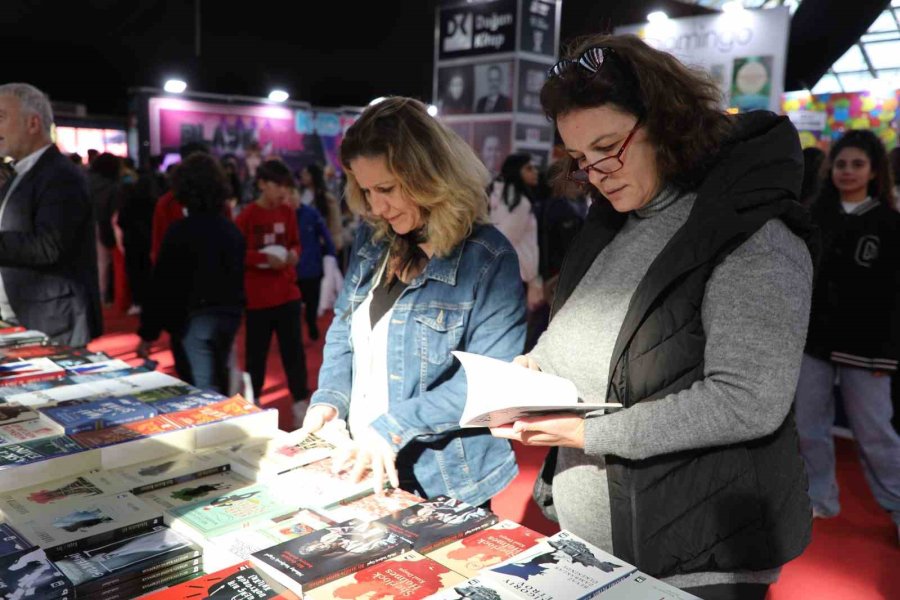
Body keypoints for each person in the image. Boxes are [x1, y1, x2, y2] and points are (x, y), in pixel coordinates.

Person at [488, 35, 815, 599]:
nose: (597, 172)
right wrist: (534, 369)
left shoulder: (754, 235)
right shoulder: (617, 221)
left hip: (697, 557)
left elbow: (747, 400)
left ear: (667, 122)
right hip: (603, 540)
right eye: (580, 159)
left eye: (609, 146)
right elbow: (585, 333)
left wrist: (587, 431)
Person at [301, 97, 524, 508]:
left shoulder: (487, 257)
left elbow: (491, 382)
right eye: (366, 191)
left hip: (446, 480)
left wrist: (392, 427)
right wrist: (331, 399)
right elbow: (343, 330)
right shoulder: (373, 240)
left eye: (386, 189)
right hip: (363, 461)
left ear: (429, 176)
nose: (376, 207)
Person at [796, 129, 900, 542]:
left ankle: (896, 505)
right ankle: (819, 496)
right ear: (829, 169)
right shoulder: (812, 216)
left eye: (857, 164)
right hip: (813, 341)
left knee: (876, 434)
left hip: (868, 350)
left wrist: (889, 354)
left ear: (874, 171)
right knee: (808, 426)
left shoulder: (890, 223)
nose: (848, 171)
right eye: (841, 163)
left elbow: (896, 297)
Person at [0, 83, 102, 346]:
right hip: (25, 318)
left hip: (51, 324)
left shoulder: (60, 175)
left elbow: (49, 245)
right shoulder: (19, 173)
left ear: (33, 123)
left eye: (1, 117)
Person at [136, 153, 245, 394]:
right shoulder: (230, 230)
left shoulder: (179, 232)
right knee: (217, 381)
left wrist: (148, 333)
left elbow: (162, 283)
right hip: (227, 316)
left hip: (194, 320)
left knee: (202, 390)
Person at [235, 160, 309, 409]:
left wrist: (294, 255)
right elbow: (236, 253)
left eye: (285, 187)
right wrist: (262, 259)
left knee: (294, 353)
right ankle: (252, 401)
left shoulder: (288, 212)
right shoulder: (247, 216)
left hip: (288, 294)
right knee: (256, 354)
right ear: (262, 185)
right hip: (257, 298)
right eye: (277, 186)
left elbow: (296, 243)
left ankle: (300, 403)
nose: (282, 192)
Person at [488, 153, 544, 351]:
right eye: (529, 168)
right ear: (516, 170)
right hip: (513, 276)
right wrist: (532, 279)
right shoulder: (519, 202)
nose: (535, 172)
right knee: (511, 335)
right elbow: (505, 238)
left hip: (503, 274)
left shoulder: (497, 194)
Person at [290, 188, 337, 341]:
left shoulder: (311, 214)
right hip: (291, 269)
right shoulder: (284, 216)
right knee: (294, 305)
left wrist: (331, 252)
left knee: (312, 302)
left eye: (294, 194)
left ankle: (311, 325)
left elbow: (325, 234)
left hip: (312, 267)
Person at [87, 152, 121, 305]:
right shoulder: (113, 187)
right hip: (102, 225)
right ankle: (102, 297)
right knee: (103, 264)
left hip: (83, 225)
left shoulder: (84, 181)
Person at [300, 163, 344, 255]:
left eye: (306, 174)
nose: (302, 176)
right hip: (303, 241)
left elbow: (334, 221)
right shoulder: (300, 194)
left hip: (321, 243)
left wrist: (334, 242)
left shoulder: (325, 198)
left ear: (313, 176)